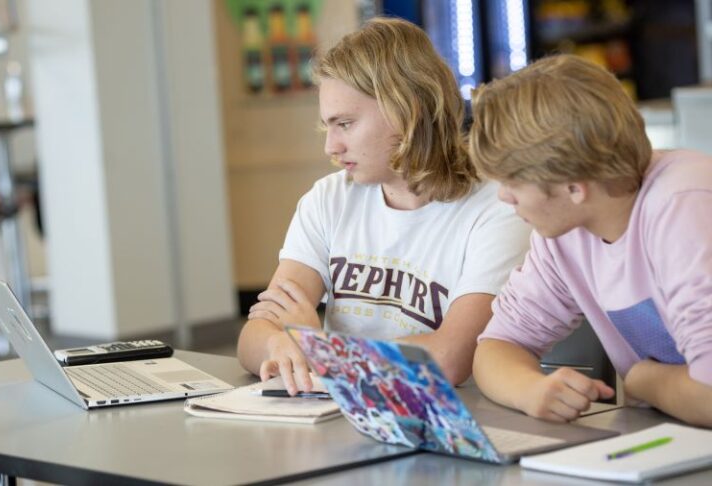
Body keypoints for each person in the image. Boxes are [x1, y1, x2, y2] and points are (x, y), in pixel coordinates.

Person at [236, 17, 530, 395]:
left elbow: (449, 359)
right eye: (329, 127)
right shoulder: (328, 200)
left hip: (457, 421)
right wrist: (280, 344)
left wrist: (318, 348)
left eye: (345, 123)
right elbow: (253, 338)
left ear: (406, 112)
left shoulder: (498, 208)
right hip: (351, 414)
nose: (331, 147)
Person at [469, 54, 712, 427]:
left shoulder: (683, 204)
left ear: (573, 187)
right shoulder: (563, 232)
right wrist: (531, 390)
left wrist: (644, 381)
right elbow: (496, 347)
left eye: (513, 182)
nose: (504, 197)